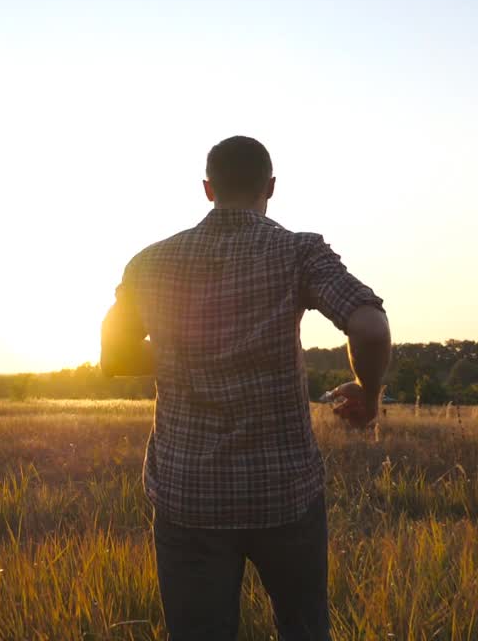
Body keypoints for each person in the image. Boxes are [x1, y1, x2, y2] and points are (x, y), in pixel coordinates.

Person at [101, 135, 390, 640]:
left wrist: (181, 355)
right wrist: (370, 395)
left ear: (208, 189)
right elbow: (369, 327)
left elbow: (115, 356)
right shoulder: (300, 252)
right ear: (271, 187)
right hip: (285, 493)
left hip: (187, 495)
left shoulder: (148, 263)